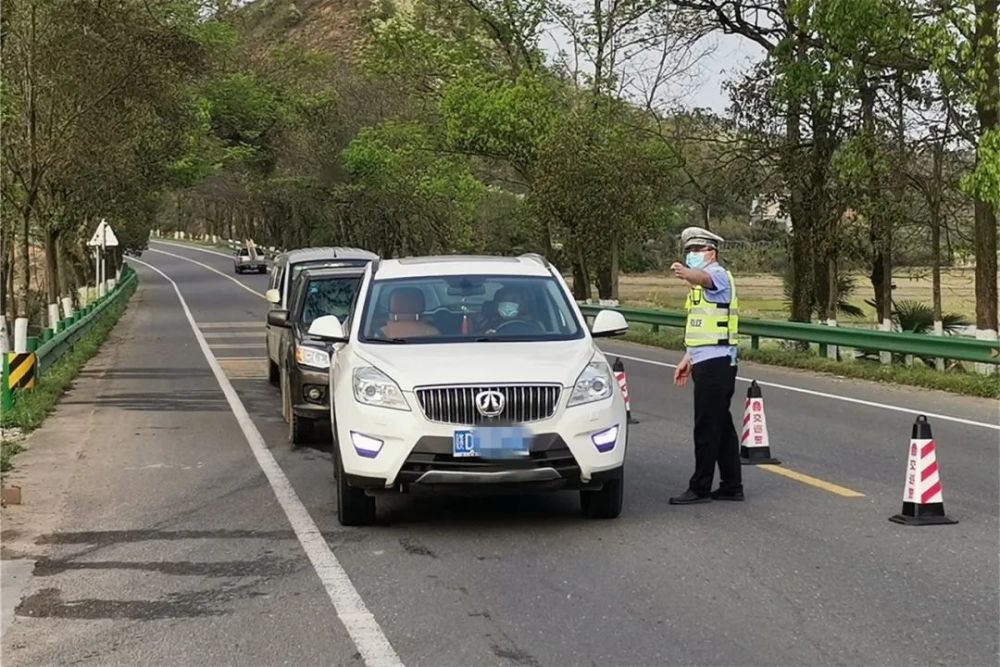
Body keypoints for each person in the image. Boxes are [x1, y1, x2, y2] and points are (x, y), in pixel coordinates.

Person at [668, 226, 744, 505]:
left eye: (696, 251)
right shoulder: (697, 290)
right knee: (721, 426)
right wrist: (687, 358)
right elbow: (703, 326)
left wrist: (689, 274)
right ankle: (731, 485)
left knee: (706, 427)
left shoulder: (717, 276)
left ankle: (700, 488)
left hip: (718, 364)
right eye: (688, 251)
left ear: (711, 252)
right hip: (706, 360)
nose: (691, 256)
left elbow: (705, 278)